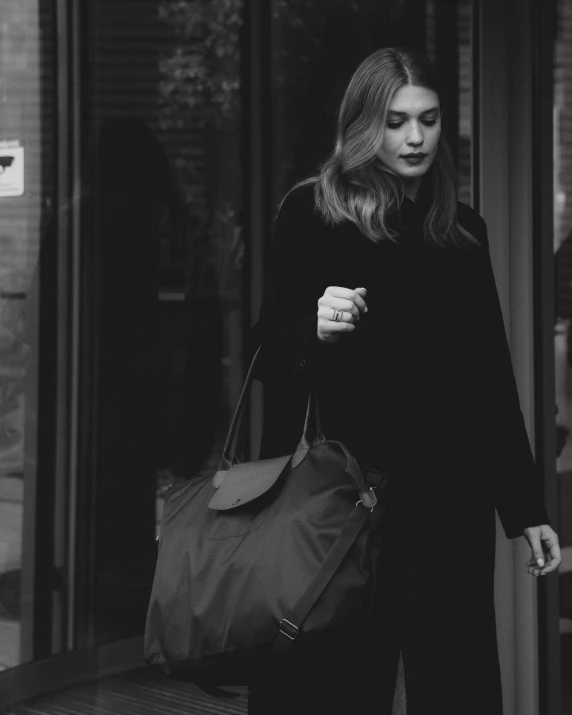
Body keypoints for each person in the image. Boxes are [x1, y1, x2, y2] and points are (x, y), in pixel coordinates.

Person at [247, 47, 562, 715]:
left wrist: (526, 506)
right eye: (395, 121)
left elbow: (489, 381)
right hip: (353, 500)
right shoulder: (314, 213)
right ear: (365, 123)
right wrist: (316, 328)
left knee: (457, 682)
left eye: (429, 119)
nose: (415, 138)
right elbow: (268, 355)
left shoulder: (461, 231)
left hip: (453, 500)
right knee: (341, 685)